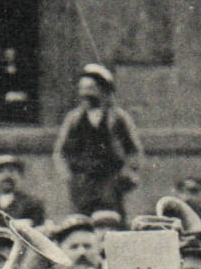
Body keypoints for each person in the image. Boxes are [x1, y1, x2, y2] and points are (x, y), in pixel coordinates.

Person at [52, 64, 142, 216]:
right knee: (82, 221)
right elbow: (60, 152)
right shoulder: (74, 119)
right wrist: (69, 177)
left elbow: (133, 150)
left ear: (104, 90)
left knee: (111, 220)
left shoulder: (118, 118)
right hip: (83, 183)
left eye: (91, 88)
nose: (86, 94)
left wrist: (127, 173)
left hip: (110, 182)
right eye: (82, 89)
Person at [0, 155, 46, 223]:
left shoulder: (32, 204)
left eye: (11, 171)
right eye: (2, 172)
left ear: (19, 176)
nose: (7, 175)